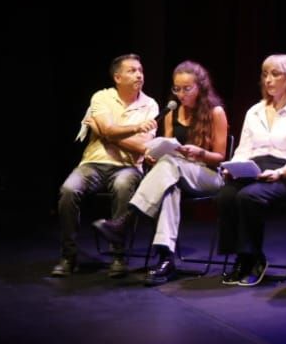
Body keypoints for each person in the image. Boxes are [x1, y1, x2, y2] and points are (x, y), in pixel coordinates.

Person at [90, 60, 229, 285]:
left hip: (208, 175)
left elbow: (221, 157)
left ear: (200, 87)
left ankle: (127, 221)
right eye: (177, 88)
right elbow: (168, 146)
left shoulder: (216, 112)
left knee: (170, 166)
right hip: (175, 172)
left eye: (187, 89)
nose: (181, 94)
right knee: (169, 187)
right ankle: (166, 260)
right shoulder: (172, 113)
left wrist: (200, 152)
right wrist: (153, 155)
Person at [52, 53, 158, 277]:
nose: (139, 75)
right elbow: (113, 130)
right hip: (94, 163)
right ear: (118, 77)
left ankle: (118, 257)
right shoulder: (102, 97)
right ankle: (68, 256)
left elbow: (143, 146)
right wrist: (133, 128)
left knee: (123, 185)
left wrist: (106, 134)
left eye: (140, 70)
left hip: (128, 166)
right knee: (68, 190)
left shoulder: (150, 104)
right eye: (132, 70)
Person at [216, 54, 286, 287]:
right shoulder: (255, 111)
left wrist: (281, 173)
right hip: (254, 169)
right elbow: (244, 149)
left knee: (248, 197)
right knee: (226, 195)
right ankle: (242, 257)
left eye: (275, 74)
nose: (268, 79)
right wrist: (234, 168)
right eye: (265, 74)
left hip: (285, 175)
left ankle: (253, 259)